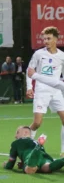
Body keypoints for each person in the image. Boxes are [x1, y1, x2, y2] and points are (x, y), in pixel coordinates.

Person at [26, 27, 64, 155]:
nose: (46, 41)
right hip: (42, 91)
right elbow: (29, 71)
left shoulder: (62, 56)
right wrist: (29, 87)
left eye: (48, 38)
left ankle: (63, 151)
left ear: (55, 39)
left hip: (56, 92)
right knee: (37, 123)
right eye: (44, 39)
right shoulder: (38, 54)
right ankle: (26, 145)